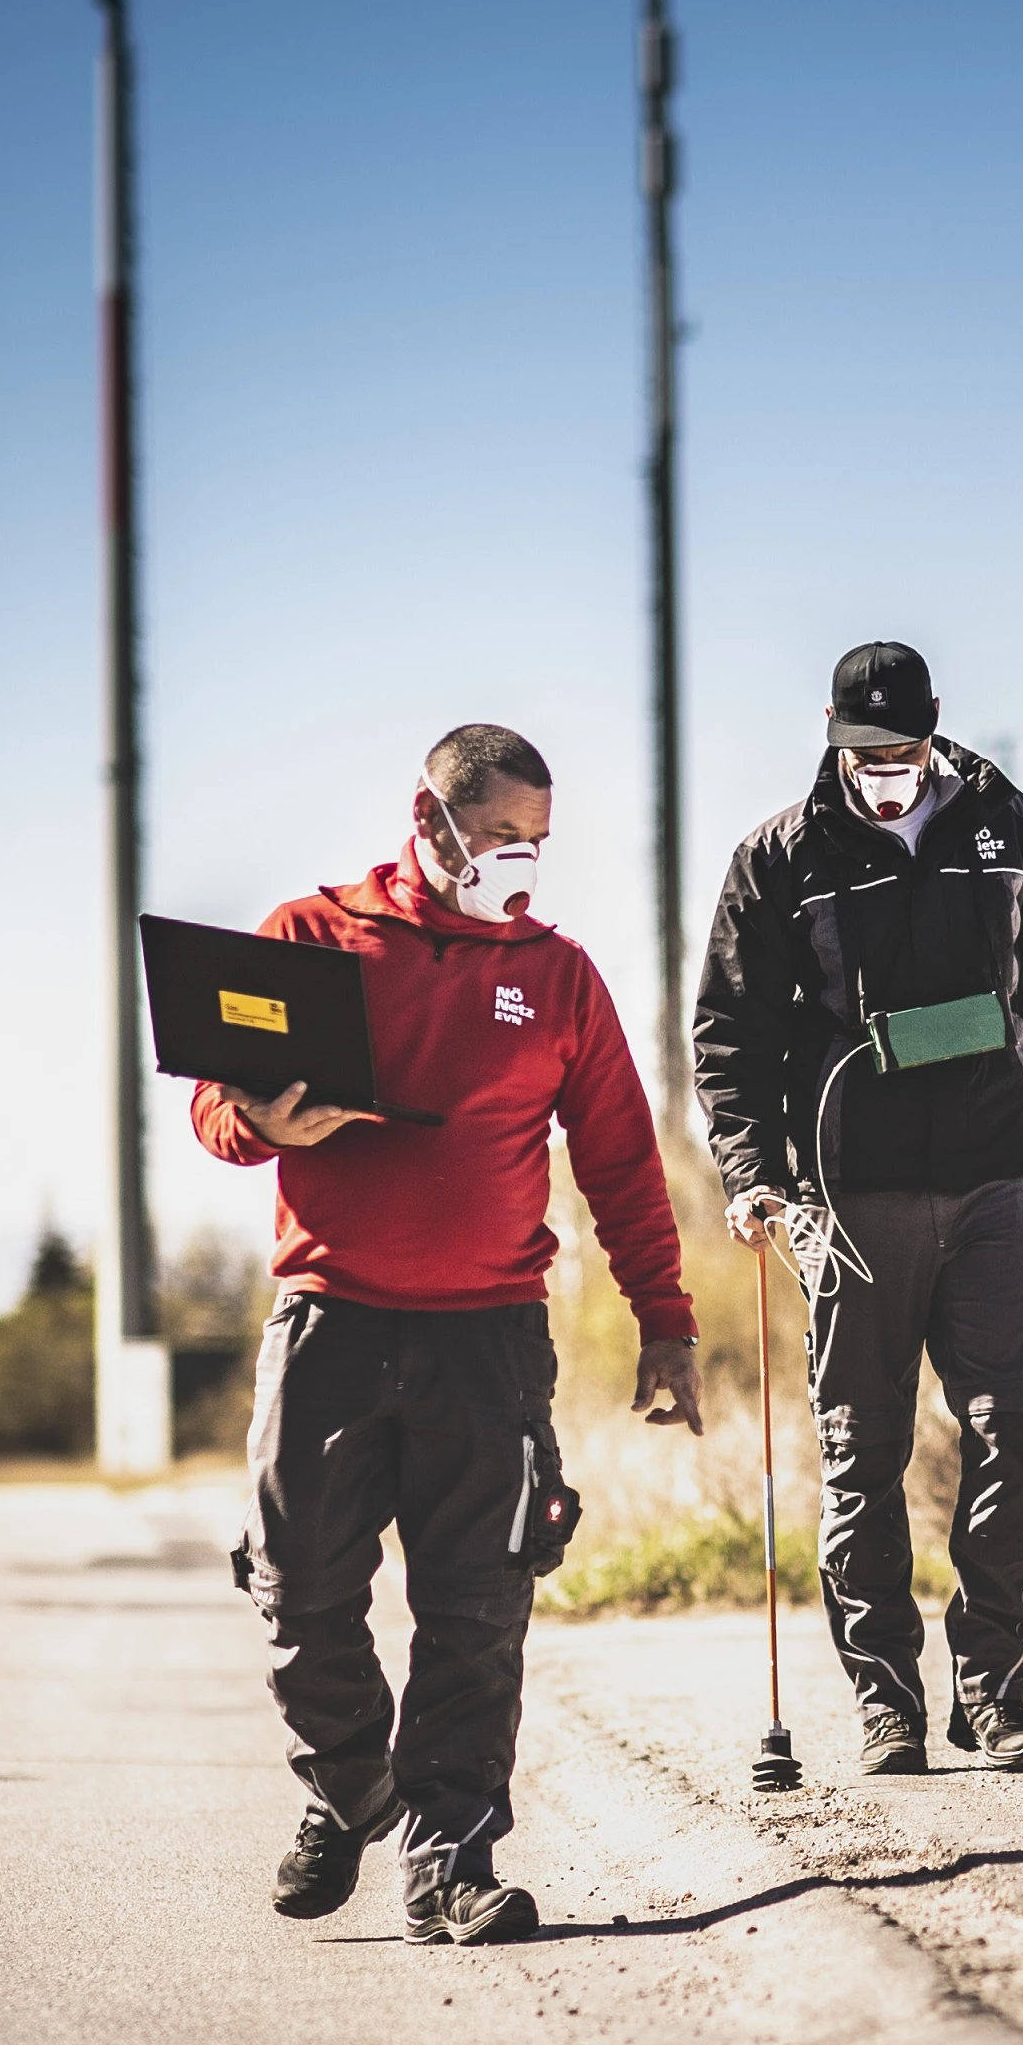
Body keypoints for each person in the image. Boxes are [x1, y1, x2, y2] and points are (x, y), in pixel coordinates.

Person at [194, 723, 703, 1945]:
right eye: (497, 839)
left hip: (487, 1339)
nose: (518, 865)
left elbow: (624, 1163)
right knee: (297, 1583)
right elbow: (217, 1111)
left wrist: (666, 1325)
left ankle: (450, 1855)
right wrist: (269, 1124)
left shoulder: (561, 975)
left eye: (537, 844)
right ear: (427, 820)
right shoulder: (308, 937)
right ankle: (348, 1783)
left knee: (478, 1610)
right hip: (328, 1321)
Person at [693, 640, 1023, 1777]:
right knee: (859, 1452)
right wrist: (751, 1171)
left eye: (905, 750)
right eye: (864, 752)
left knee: (1004, 1432)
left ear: (935, 732)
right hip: (849, 1193)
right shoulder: (780, 856)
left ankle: (992, 1692)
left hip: (995, 1178)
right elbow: (729, 1032)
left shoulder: (1005, 828)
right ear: (830, 733)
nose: (885, 770)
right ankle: (889, 1707)